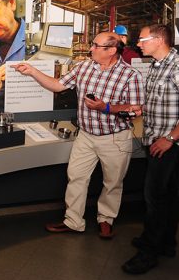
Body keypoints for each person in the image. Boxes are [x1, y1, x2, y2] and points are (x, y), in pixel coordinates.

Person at [12, 32, 144, 238]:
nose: (90, 49)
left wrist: (106, 107)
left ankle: (106, 219)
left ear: (111, 50)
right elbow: (57, 85)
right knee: (76, 178)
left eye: (95, 46)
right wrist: (32, 71)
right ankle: (73, 221)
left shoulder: (130, 75)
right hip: (86, 136)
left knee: (113, 182)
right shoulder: (83, 67)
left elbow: (136, 110)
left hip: (115, 138)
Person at [122, 24, 179, 274]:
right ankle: (165, 242)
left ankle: (148, 252)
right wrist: (139, 110)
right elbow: (158, 101)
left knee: (154, 197)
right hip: (156, 140)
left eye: (142, 40)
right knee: (168, 195)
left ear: (158, 40)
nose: (138, 44)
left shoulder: (177, 66)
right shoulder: (156, 66)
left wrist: (170, 138)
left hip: (168, 144)